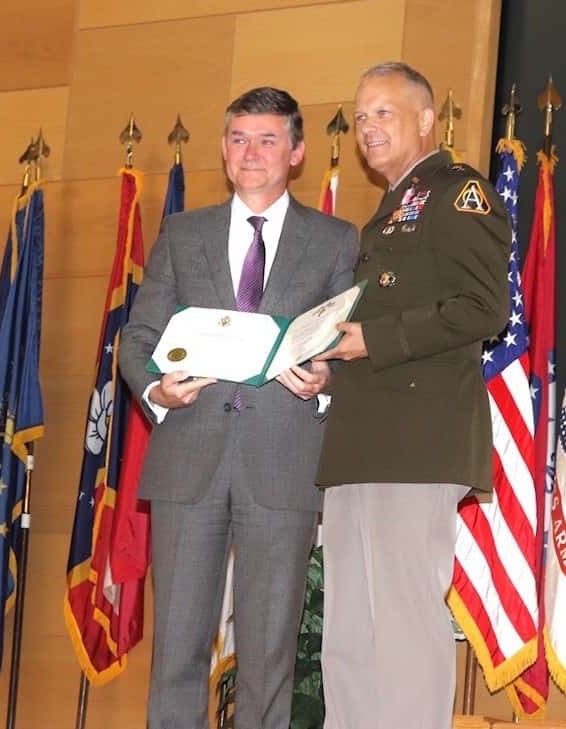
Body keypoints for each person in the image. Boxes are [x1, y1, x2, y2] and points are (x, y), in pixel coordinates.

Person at [120, 86, 358, 729]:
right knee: (176, 650)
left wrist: (325, 378)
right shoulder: (182, 232)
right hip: (188, 459)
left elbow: (346, 344)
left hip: (283, 465)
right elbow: (138, 338)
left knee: (269, 656)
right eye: (238, 139)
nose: (250, 153)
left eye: (267, 140)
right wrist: (156, 390)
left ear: (297, 153)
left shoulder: (336, 240)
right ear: (224, 150)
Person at [314, 62, 512, 729]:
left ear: (427, 120)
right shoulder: (388, 212)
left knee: (402, 625)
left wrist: (371, 339)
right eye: (360, 115)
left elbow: (484, 308)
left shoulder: (458, 195)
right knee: (348, 635)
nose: (368, 127)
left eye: (384, 112)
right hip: (359, 446)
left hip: (415, 446)